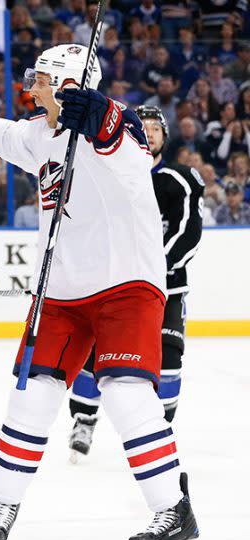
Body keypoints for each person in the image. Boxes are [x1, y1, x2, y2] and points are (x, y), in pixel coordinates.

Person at [0, 43, 200, 540]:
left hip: (125, 287)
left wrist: (95, 109)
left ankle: (175, 515)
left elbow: (116, 128)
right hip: (62, 293)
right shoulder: (38, 134)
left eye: (43, 79)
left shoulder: (117, 135)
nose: (32, 87)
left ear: (72, 85)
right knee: (30, 396)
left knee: (126, 396)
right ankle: (3, 503)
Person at [67, 105, 204, 461]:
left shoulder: (179, 179)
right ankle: (84, 418)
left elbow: (187, 232)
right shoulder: (109, 177)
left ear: (164, 136)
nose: (150, 131)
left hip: (166, 289)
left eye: (156, 127)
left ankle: (161, 429)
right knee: (94, 354)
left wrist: (154, 269)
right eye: (143, 126)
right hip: (114, 287)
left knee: (169, 358)